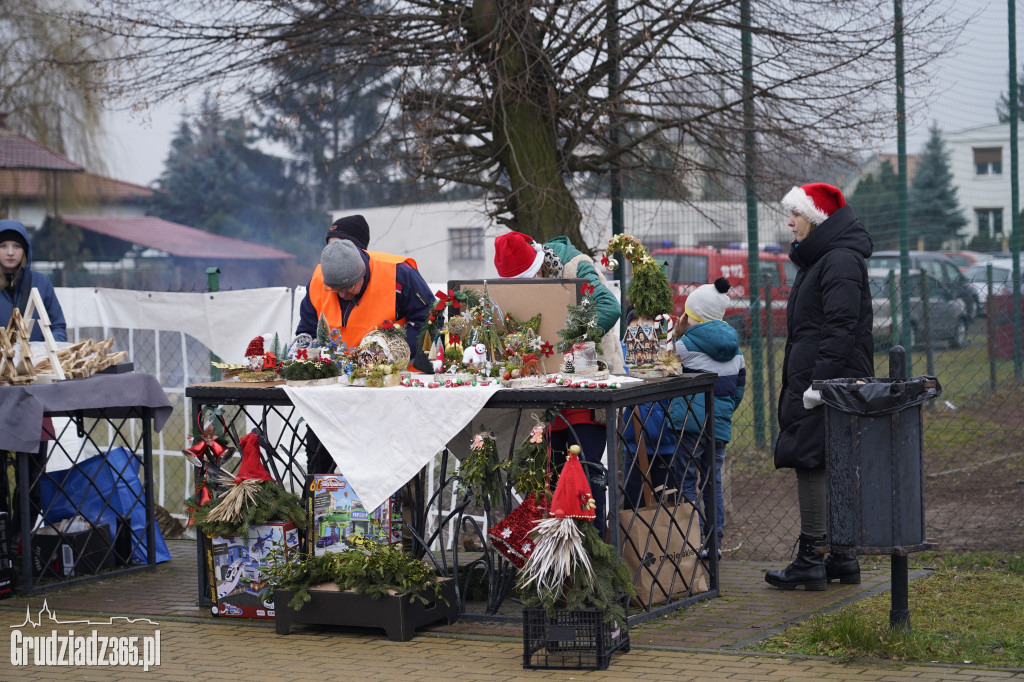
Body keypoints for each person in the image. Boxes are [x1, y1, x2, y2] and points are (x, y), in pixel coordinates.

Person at [766, 182, 873, 591]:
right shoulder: (824, 259)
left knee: (810, 458)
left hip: (825, 382)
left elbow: (839, 327)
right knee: (828, 461)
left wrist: (821, 384)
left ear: (816, 218)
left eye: (795, 215)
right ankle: (841, 557)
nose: (789, 222)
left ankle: (811, 558)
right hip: (818, 377)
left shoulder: (839, 260)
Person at [493, 230, 625, 534]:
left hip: (586, 384)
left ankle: (595, 555)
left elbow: (609, 308)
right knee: (550, 477)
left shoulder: (576, 267)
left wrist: (570, 344)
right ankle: (558, 558)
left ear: (539, 265)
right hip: (544, 392)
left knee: (586, 476)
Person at [668, 278, 745, 558]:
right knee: (713, 483)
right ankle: (715, 543)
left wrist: (676, 334)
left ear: (692, 315)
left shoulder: (683, 347)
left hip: (687, 426)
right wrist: (723, 412)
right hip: (718, 424)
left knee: (686, 481)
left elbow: (665, 372)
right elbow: (738, 391)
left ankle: (692, 540)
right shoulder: (736, 352)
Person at [295, 234, 433, 371]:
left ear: (364, 273)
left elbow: (429, 319)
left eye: (349, 288)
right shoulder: (317, 281)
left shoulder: (399, 274)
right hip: (334, 376)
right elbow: (307, 331)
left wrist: (394, 357)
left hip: (393, 375)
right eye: (335, 289)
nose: (343, 294)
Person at [0, 219, 66, 342]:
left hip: (37, 360)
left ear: (25, 251)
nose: (10, 252)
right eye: (3, 246)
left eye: (17, 246)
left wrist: (47, 351)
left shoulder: (42, 283)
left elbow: (57, 327)